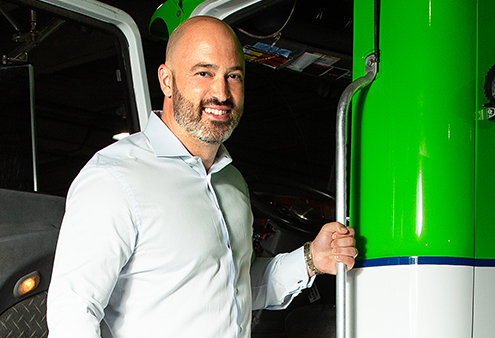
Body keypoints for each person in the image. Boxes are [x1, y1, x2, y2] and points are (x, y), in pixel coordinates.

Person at [46, 16, 357, 338]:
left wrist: (311, 259)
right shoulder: (115, 177)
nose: (221, 92)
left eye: (233, 75)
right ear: (167, 80)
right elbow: (74, 310)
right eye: (204, 73)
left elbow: (234, 284)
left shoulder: (232, 182)